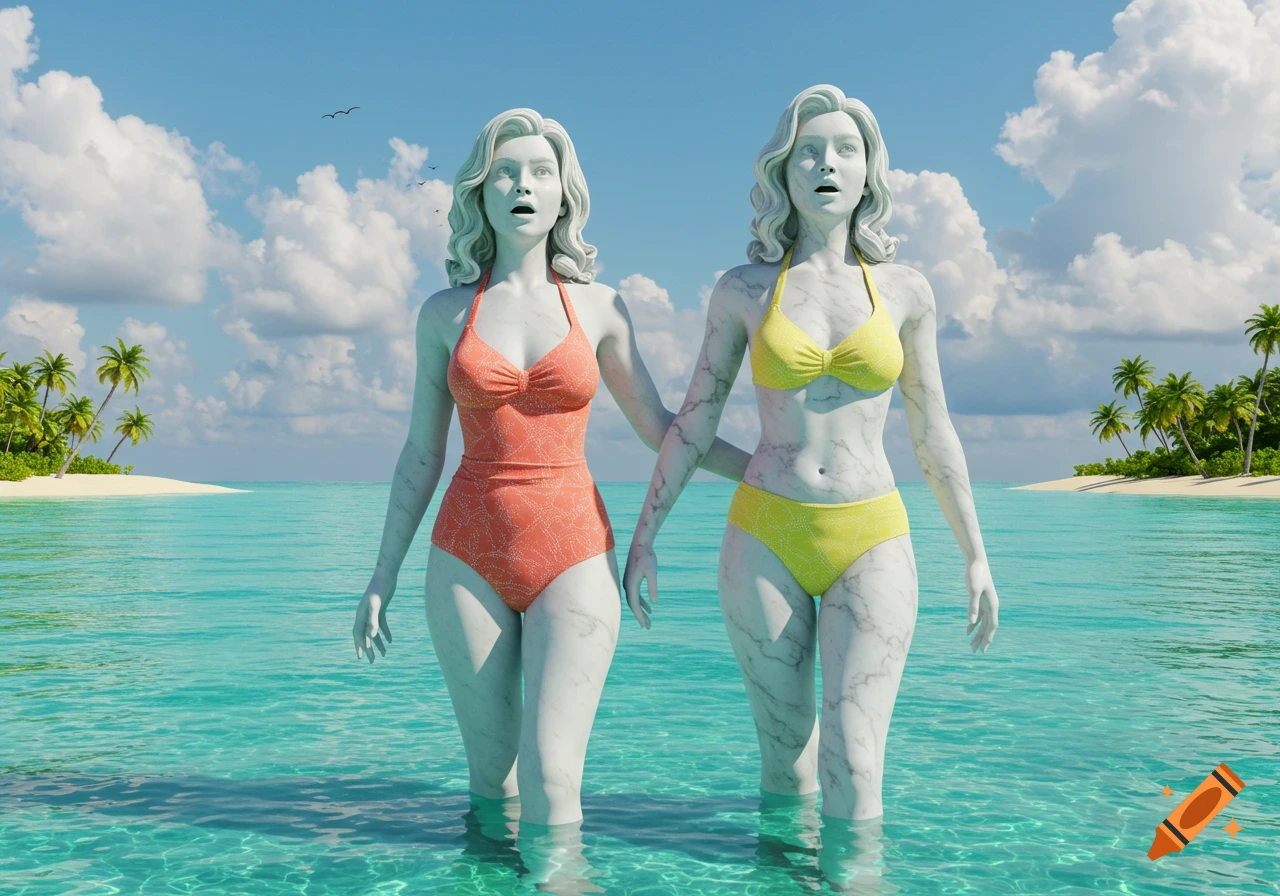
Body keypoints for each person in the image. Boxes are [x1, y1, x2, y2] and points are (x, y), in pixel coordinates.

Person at [352, 108, 750, 827]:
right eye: (505, 172)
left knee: (553, 777)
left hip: (575, 551)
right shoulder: (444, 315)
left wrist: (760, 472)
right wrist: (382, 572)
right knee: (491, 781)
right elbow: (421, 450)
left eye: (541, 172)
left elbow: (661, 427)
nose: (522, 185)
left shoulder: (601, 308)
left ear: (565, 192)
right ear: (479, 191)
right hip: (464, 555)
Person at [624, 85, 1000, 822]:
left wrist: (976, 553)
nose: (827, 164)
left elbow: (933, 430)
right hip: (765, 530)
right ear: (783, 172)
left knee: (857, 764)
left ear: (869, 173)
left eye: (845, 151)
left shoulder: (906, 291)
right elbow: (694, 423)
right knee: (785, 759)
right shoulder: (743, 290)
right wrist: (644, 537)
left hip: (874, 534)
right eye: (809, 152)